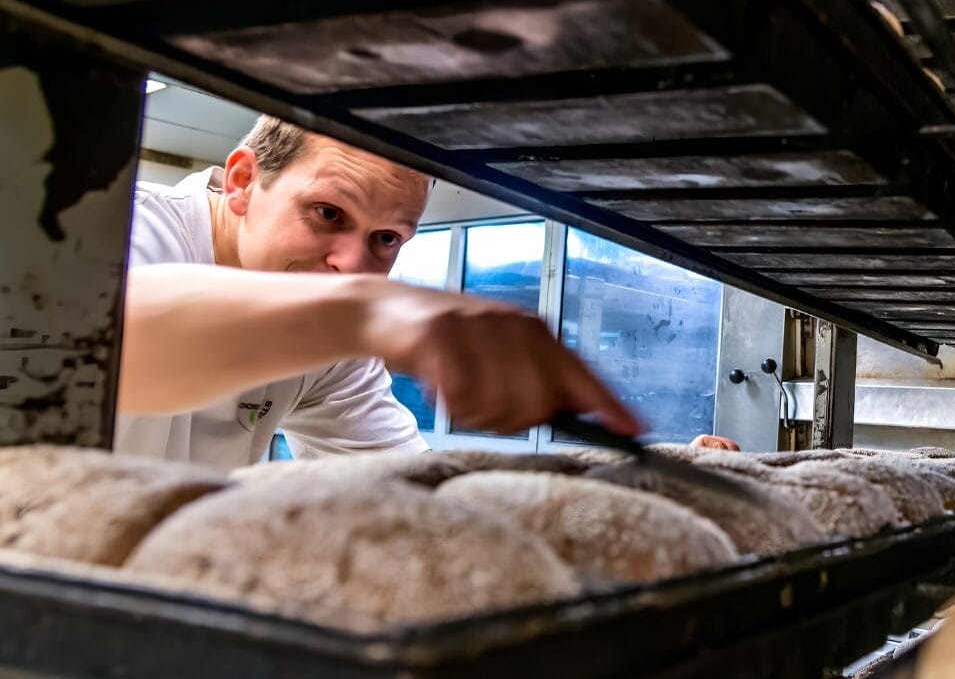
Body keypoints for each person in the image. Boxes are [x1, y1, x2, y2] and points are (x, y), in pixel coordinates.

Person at [116, 116, 640, 469]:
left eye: (386, 239)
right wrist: (368, 312)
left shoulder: (334, 332)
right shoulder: (119, 227)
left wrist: (616, 476)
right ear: (242, 182)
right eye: (328, 213)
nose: (352, 267)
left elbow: (399, 476)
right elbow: (108, 339)